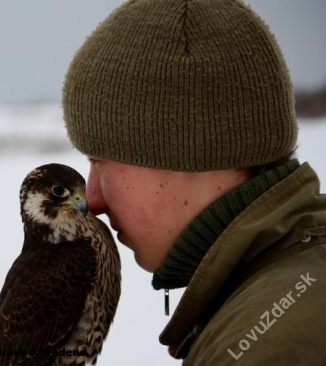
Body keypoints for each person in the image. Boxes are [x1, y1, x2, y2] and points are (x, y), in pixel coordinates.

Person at [61, 0, 326, 364]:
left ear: (188, 146)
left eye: (100, 162)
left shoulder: (268, 345)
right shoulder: (289, 281)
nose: (92, 199)